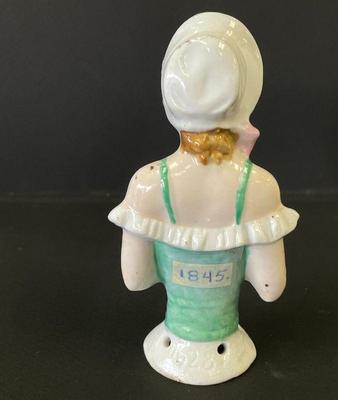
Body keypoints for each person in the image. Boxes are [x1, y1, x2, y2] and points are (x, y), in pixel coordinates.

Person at [108, 12, 299, 385]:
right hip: (230, 347)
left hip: (169, 346)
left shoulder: (147, 184)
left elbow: (136, 279)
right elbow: (270, 287)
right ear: (245, 96)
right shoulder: (259, 186)